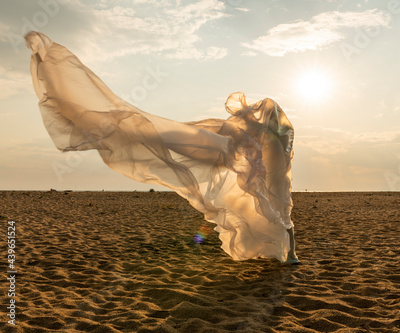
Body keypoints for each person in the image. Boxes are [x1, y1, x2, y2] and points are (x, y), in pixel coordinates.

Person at [25, 31, 299, 264]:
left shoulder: (269, 141)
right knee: (153, 133)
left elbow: (273, 160)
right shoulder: (261, 140)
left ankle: (287, 254)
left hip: (272, 177)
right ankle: (288, 255)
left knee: (279, 211)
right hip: (268, 174)